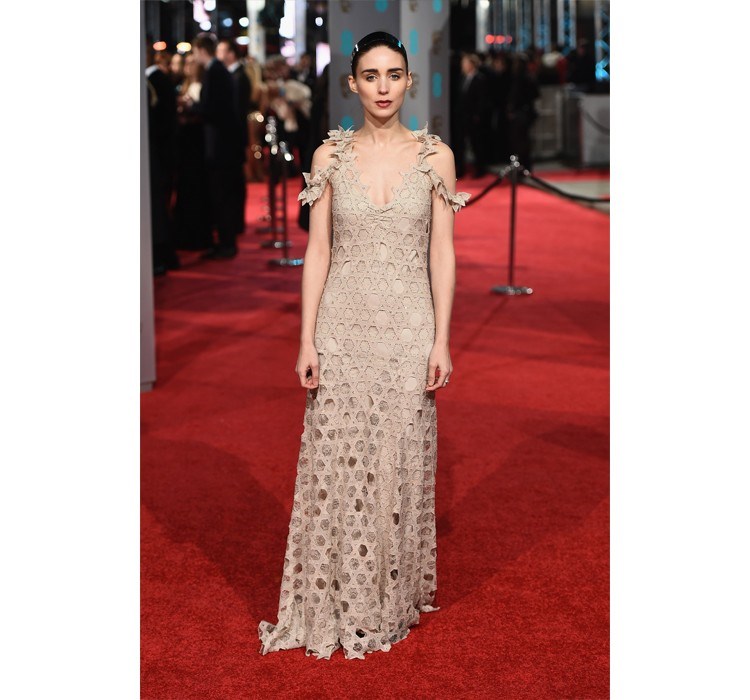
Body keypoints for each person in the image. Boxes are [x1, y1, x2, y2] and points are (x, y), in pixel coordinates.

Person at [258, 30, 471, 661]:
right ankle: (334, 598)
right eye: (371, 76)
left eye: (394, 75)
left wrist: (442, 338)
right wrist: (306, 339)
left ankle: (385, 598)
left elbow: (442, 253)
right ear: (352, 84)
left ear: (409, 81)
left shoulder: (436, 159)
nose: (383, 87)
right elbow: (318, 250)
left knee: (397, 459)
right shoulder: (329, 157)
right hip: (342, 328)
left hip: (408, 327)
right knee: (338, 460)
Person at [183, 32, 242, 259]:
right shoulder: (217, 71)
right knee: (221, 196)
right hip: (221, 145)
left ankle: (227, 244)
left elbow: (213, 109)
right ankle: (225, 242)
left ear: (201, 50)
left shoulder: (215, 72)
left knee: (222, 196)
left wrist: (191, 106)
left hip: (220, 147)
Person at [217, 38, 251, 237]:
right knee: (234, 183)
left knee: (234, 184)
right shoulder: (234, 75)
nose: (218, 55)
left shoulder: (238, 77)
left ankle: (235, 223)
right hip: (234, 138)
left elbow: (236, 112)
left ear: (231, 53)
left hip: (234, 139)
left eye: (221, 50)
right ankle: (235, 222)